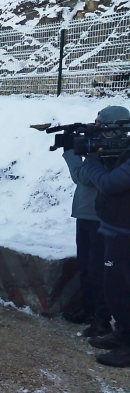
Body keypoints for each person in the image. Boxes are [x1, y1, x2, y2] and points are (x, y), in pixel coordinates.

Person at [84, 105, 130, 368]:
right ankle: (123, 333)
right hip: (116, 228)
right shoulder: (122, 150)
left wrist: (91, 160)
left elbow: (111, 184)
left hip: (125, 233)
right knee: (115, 289)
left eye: (102, 127)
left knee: (123, 289)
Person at [60, 116, 110, 338]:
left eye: (101, 123)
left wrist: (71, 151)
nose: (96, 126)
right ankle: (89, 310)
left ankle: (101, 317)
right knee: (86, 266)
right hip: (86, 213)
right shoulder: (99, 145)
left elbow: (83, 176)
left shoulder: (111, 150)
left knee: (97, 269)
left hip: (100, 217)